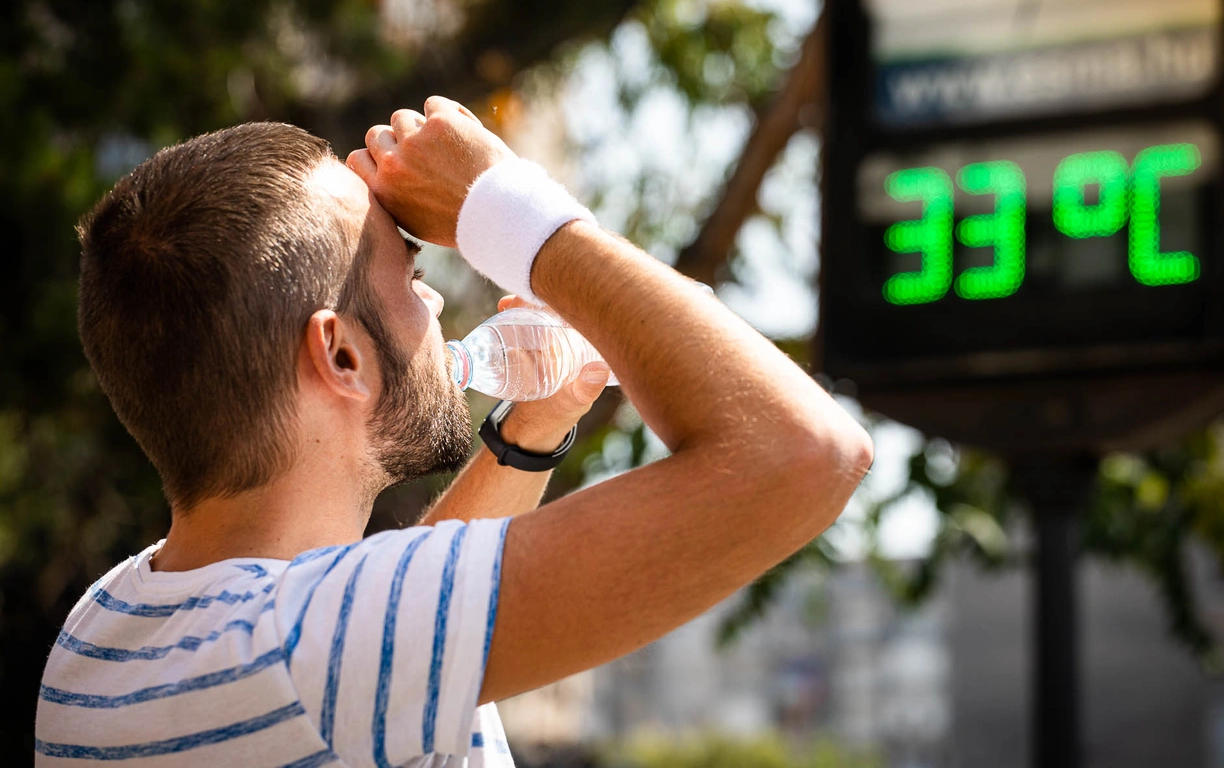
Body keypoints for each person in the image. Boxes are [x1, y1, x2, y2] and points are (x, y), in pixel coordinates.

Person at [36, 97, 874, 766]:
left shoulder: (104, 630)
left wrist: (530, 433)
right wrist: (505, 206)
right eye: (410, 274)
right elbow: (803, 452)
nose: (435, 303)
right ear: (340, 354)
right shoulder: (309, 653)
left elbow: (391, 621)